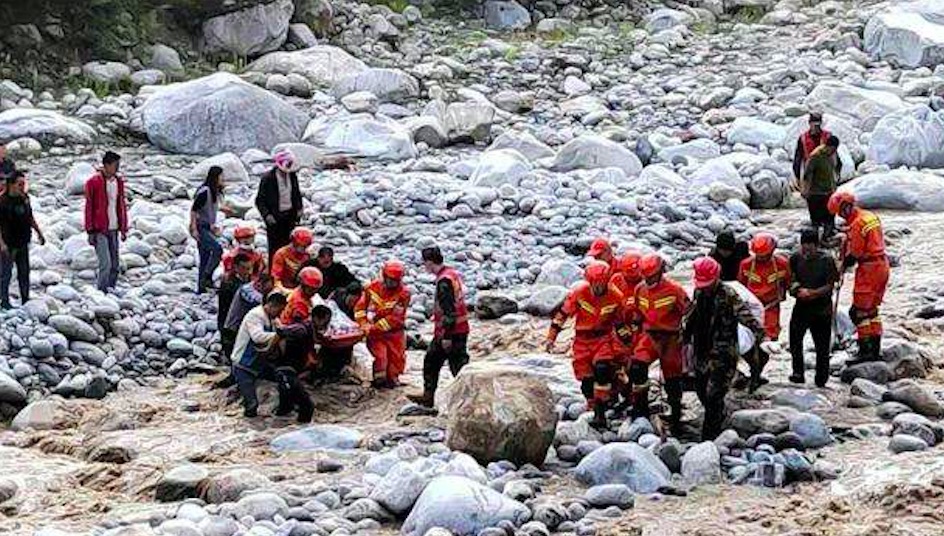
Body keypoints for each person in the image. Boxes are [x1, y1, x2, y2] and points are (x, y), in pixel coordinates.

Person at [684, 257, 766, 440]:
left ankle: (709, 437)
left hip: (723, 352)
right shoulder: (698, 293)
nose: (705, 287)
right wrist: (684, 335)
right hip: (702, 348)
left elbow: (745, 314)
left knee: (714, 394)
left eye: (707, 283)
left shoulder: (729, 295)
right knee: (700, 389)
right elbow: (692, 317)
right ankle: (718, 416)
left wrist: (760, 333)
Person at [546, 261, 626, 429]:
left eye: (601, 283)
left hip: (603, 339)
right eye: (594, 284)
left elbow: (620, 325)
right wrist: (551, 338)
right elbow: (562, 316)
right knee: (586, 380)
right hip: (582, 340)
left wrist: (628, 346)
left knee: (602, 369)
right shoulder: (579, 294)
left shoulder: (616, 297)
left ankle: (600, 412)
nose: (597, 287)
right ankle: (593, 402)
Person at [828, 191, 890, 364]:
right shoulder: (869, 216)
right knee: (872, 310)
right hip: (881, 265)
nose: (840, 216)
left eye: (840, 212)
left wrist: (840, 267)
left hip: (869, 269)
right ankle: (875, 349)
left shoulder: (857, 224)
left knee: (859, 312)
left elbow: (855, 253)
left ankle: (865, 351)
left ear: (845, 208)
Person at [407, 247, 470, 408]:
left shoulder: (443, 282)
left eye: (424, 263)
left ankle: (467, 400)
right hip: (458, 329)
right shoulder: (451, 274)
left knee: (454, 367)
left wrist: (447, 336)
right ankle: (430, 396)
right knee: (435, 362)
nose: (424, 266)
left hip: (450, 332)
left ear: (429, 262)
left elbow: (449, 312)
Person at [633, 253, 690, 429]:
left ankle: (675, 413)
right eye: (645, 277)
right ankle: (640, 409)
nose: (648, 280)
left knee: (673, 379)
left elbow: (689, 313)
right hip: (650, 336)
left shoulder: (675, 291)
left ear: (660, 272)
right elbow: (637, 314)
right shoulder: (640, 290)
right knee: (637, 366)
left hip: (671, 338)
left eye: (650, 276)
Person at [737, 232, 790, 389]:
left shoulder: (782, 264)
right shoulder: (746, 265)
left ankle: (756, 373)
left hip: (770, 309)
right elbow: (740, 287)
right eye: (758, 255)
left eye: (764, 255)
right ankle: (753, 371)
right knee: (747, 341)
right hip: (750, 310)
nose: (761, 258)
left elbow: (787, 283)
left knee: (768, 342)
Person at [788, 229, 838, 386]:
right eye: (804, 246)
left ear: (817, 245)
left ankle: (821, 378)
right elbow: (790, 279)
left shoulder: (827, 260)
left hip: (821, 309)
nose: (806, 249)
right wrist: (796, 290)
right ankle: (797, 373)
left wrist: (813, 293)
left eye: (810, 246)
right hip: (801, 306)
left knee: (822, 346)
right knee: (795, 341)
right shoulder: (796, 258)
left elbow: (831, 285)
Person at [354, 260, 411, 389]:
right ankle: (379, 383)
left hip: (394, 333)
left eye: (395, 280)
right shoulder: (372, 288)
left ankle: (392, 381)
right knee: (380, 358)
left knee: (396, 360)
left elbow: (395, 318)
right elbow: (360, 308)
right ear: (384, 276)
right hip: (376, 334)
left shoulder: (403, 294)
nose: (392, 283)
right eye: (390, 279)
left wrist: (373, 328)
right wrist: (363, 324)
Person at [232, 292, 287, 417]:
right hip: (243, 366)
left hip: (259, 363)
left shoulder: (273, 319)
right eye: (280, 309)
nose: (280, 313)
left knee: (283, 379)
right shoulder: (255, 315)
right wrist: (278, 335)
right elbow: (257, 337)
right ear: (271, 305)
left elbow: (282, 330)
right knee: (252, 405)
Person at [84, 151, 128, 292]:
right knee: (105, 263)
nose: (117, 168)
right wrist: (90, 230)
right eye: (115, 165)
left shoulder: (118, 182)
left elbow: (121, 204)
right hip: (99, 229)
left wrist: (123, 228)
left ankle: (111, 288)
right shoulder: (93, 182)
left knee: (115, 264)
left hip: (114, 227)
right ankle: (101, 291)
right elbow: (89, 207)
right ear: (106, 165)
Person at [0, 171, 44, 309]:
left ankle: (25, 299)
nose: (22, 187)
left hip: (23, 241)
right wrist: (1, 244)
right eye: (20, 184)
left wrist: (39, 233)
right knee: (5, 274)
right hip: (8, 243)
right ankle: (4, 301)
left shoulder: (24, 198)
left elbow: (30, 217)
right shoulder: (2, 201)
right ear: (11, 185)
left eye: (24, 184)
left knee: (24, 272)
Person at [610, 252, 644, 413]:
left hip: (639, 330)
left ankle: (635, 399)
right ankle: (615, 396)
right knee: (613, 361)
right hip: (619, 328)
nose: (630, 279)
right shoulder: (616, 281)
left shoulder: (646, 284)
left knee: (635, 365)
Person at [255, 150, 303, 267]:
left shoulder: (292, 176)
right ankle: (274, 274)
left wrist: (299, 209)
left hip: (290, 217)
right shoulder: (268, 178)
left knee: (290, 247)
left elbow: (296, 194)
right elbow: (260, 200)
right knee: (275, 248)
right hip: (275, 218)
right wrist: (267, 215)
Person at [190, 165, 228, 293]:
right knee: (217, 249)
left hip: (207, 227)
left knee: (205, 257)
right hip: (200, 227)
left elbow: (210, 210)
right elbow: (194, 210)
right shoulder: (205, 191)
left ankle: (201, 288)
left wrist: (213, 226)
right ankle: (207, 276)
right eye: (221, 176)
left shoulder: (214, 192)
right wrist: (194, 228)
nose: (223, 178)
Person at [800, 135, 841, 240]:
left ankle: (828, 237)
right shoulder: (816, 156)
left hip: (829, 192)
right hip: (816, 194)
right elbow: (807, 174)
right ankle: (816, 242)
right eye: (833, 149)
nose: (833, 152)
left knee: (830, 218)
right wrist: (805, 190)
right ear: (828, 146)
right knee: (816, 221)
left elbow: (837, 166)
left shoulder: (832, 155)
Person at [219, 254, 255, 360]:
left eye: (249, 268)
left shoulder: (251, 281)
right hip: (231, 321)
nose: (248, 272)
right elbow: (225, 308)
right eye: (244, 268)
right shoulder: (228, 283)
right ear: (236, 267)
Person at [792, 112, 841, 184]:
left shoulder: (827, 136)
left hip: (826, 174)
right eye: (814, 124)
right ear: (809, 123)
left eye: (818, 125)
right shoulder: (803, 138)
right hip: (810, 174)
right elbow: (798, 159)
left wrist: (837, 172)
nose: (816, 127)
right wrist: (797, 176)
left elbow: (835, 156)